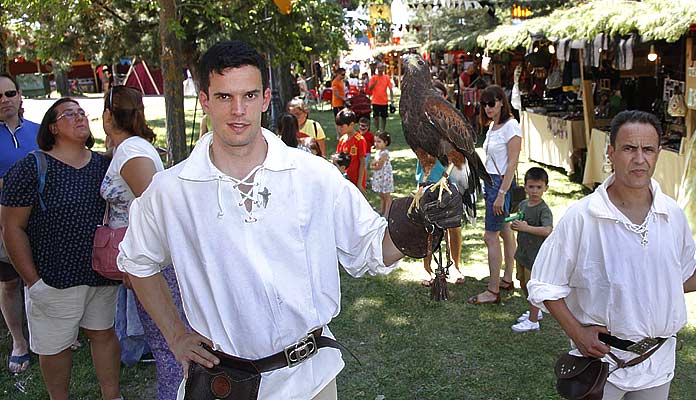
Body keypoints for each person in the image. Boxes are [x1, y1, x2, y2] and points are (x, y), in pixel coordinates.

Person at [116, 40, 461, 399]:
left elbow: (373, 250)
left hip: (311, 378)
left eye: (249, 96)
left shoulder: (313, 176)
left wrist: (415, 222)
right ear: (204, 100)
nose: (238, 110)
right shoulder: (172, 191)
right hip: (225, 384)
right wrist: (176, 335)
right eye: (223, 97)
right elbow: (136, 261)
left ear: (266, 98)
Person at [527, 110, 696, 399]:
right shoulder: (582, 217)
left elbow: (680, 276)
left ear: (658, 154)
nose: (639, 159)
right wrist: (578, 333)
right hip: (601, 362)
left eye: (648, 150)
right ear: (611, 152)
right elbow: (545, 284)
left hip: (658, 362)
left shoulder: (672, 214)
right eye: (629, 148)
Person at [1, 98, 121, 400]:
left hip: (99, 274)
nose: (80, 117)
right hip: (53, 279)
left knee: (103, 335)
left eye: (82, 112)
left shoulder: (103, 166)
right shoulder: (32, 167)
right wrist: (33, 282)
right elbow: (12, 228)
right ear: (52, 127)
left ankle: (113, 396)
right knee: (55, 348)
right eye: (70, 114)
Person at [101, 85, 189, 400]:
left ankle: (176, 393)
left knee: (168, 344)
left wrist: (138, 263)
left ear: (108, 116)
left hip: (153, 264)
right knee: (164, 341)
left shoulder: (131, 151)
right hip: (146, 260)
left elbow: (153, 209)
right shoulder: (128, 148)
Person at [0, 73, 39, 373]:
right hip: (3, 226)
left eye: (10, 93)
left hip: (41, 221)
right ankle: (19, 342)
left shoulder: (40, 133)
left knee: (40, 278)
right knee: (11, 283)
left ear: (20, 95)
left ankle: (47, 333)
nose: (5, 100)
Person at [469, 85, 521, 305]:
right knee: (505, 231)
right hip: (492, 183)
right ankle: (507, 279)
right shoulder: (493, 127)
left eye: (491, 103)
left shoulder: (512, 126)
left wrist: (501, 194)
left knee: (490, 236)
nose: (488, 108)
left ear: (501, 101)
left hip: (501, 186)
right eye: (484, 104)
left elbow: (512, 163)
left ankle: (493, 290)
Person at [509, 167, 553, 333]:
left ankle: (533, 320)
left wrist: (526, 228)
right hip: (523, 253)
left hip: (536, 257)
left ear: (545, 188)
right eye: (531, 187)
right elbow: (520, 221)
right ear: (525, 187)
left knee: (533, 287)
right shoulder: (523, 204)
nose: (535, 191)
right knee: (523, 283)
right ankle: (536, 311)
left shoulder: (543, 210)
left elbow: (547, 230)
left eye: (539, 187)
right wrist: (516, 225)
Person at [416, 160, 466, 287]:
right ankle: (427, 268)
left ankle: (454, 266)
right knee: (428, 227)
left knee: (454, 226)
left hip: (451, 180)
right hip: (427, 180)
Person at [335, 108, 367, 192]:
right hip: (344, 180)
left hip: (355, 179)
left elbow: (362, 162)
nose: (339, 129)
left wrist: (359, 183)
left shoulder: (359, 140)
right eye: (337, 126)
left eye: (342, 126)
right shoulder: (342, 139)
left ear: (351, 124)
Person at [370, 131, 393, 216]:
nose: (376, 144)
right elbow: (373, 162)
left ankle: (387, 213)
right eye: (375, 141)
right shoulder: (378, 152)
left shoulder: (384, 153)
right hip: (379, 176)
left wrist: (373, 166)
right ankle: (382, 210)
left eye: (379, 141)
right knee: (381, 195)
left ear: (385, 142)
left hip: (385, 176)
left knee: (386, 195)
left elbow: (378, 166)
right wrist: (373, 164)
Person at [367, 63, 394, 133]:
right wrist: (374, 83)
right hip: (375, 101)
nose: (380, 70)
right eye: (379, 68)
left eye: (381, 68)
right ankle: (377, 130)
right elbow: (369, 89)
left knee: (384, 117)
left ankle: (383, 130)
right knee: (376, 117)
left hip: (384, 100)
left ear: (383, 69)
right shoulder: (374, 78)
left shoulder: (386, 77)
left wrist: (392, 98)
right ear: (377, 68)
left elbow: (390, 88)